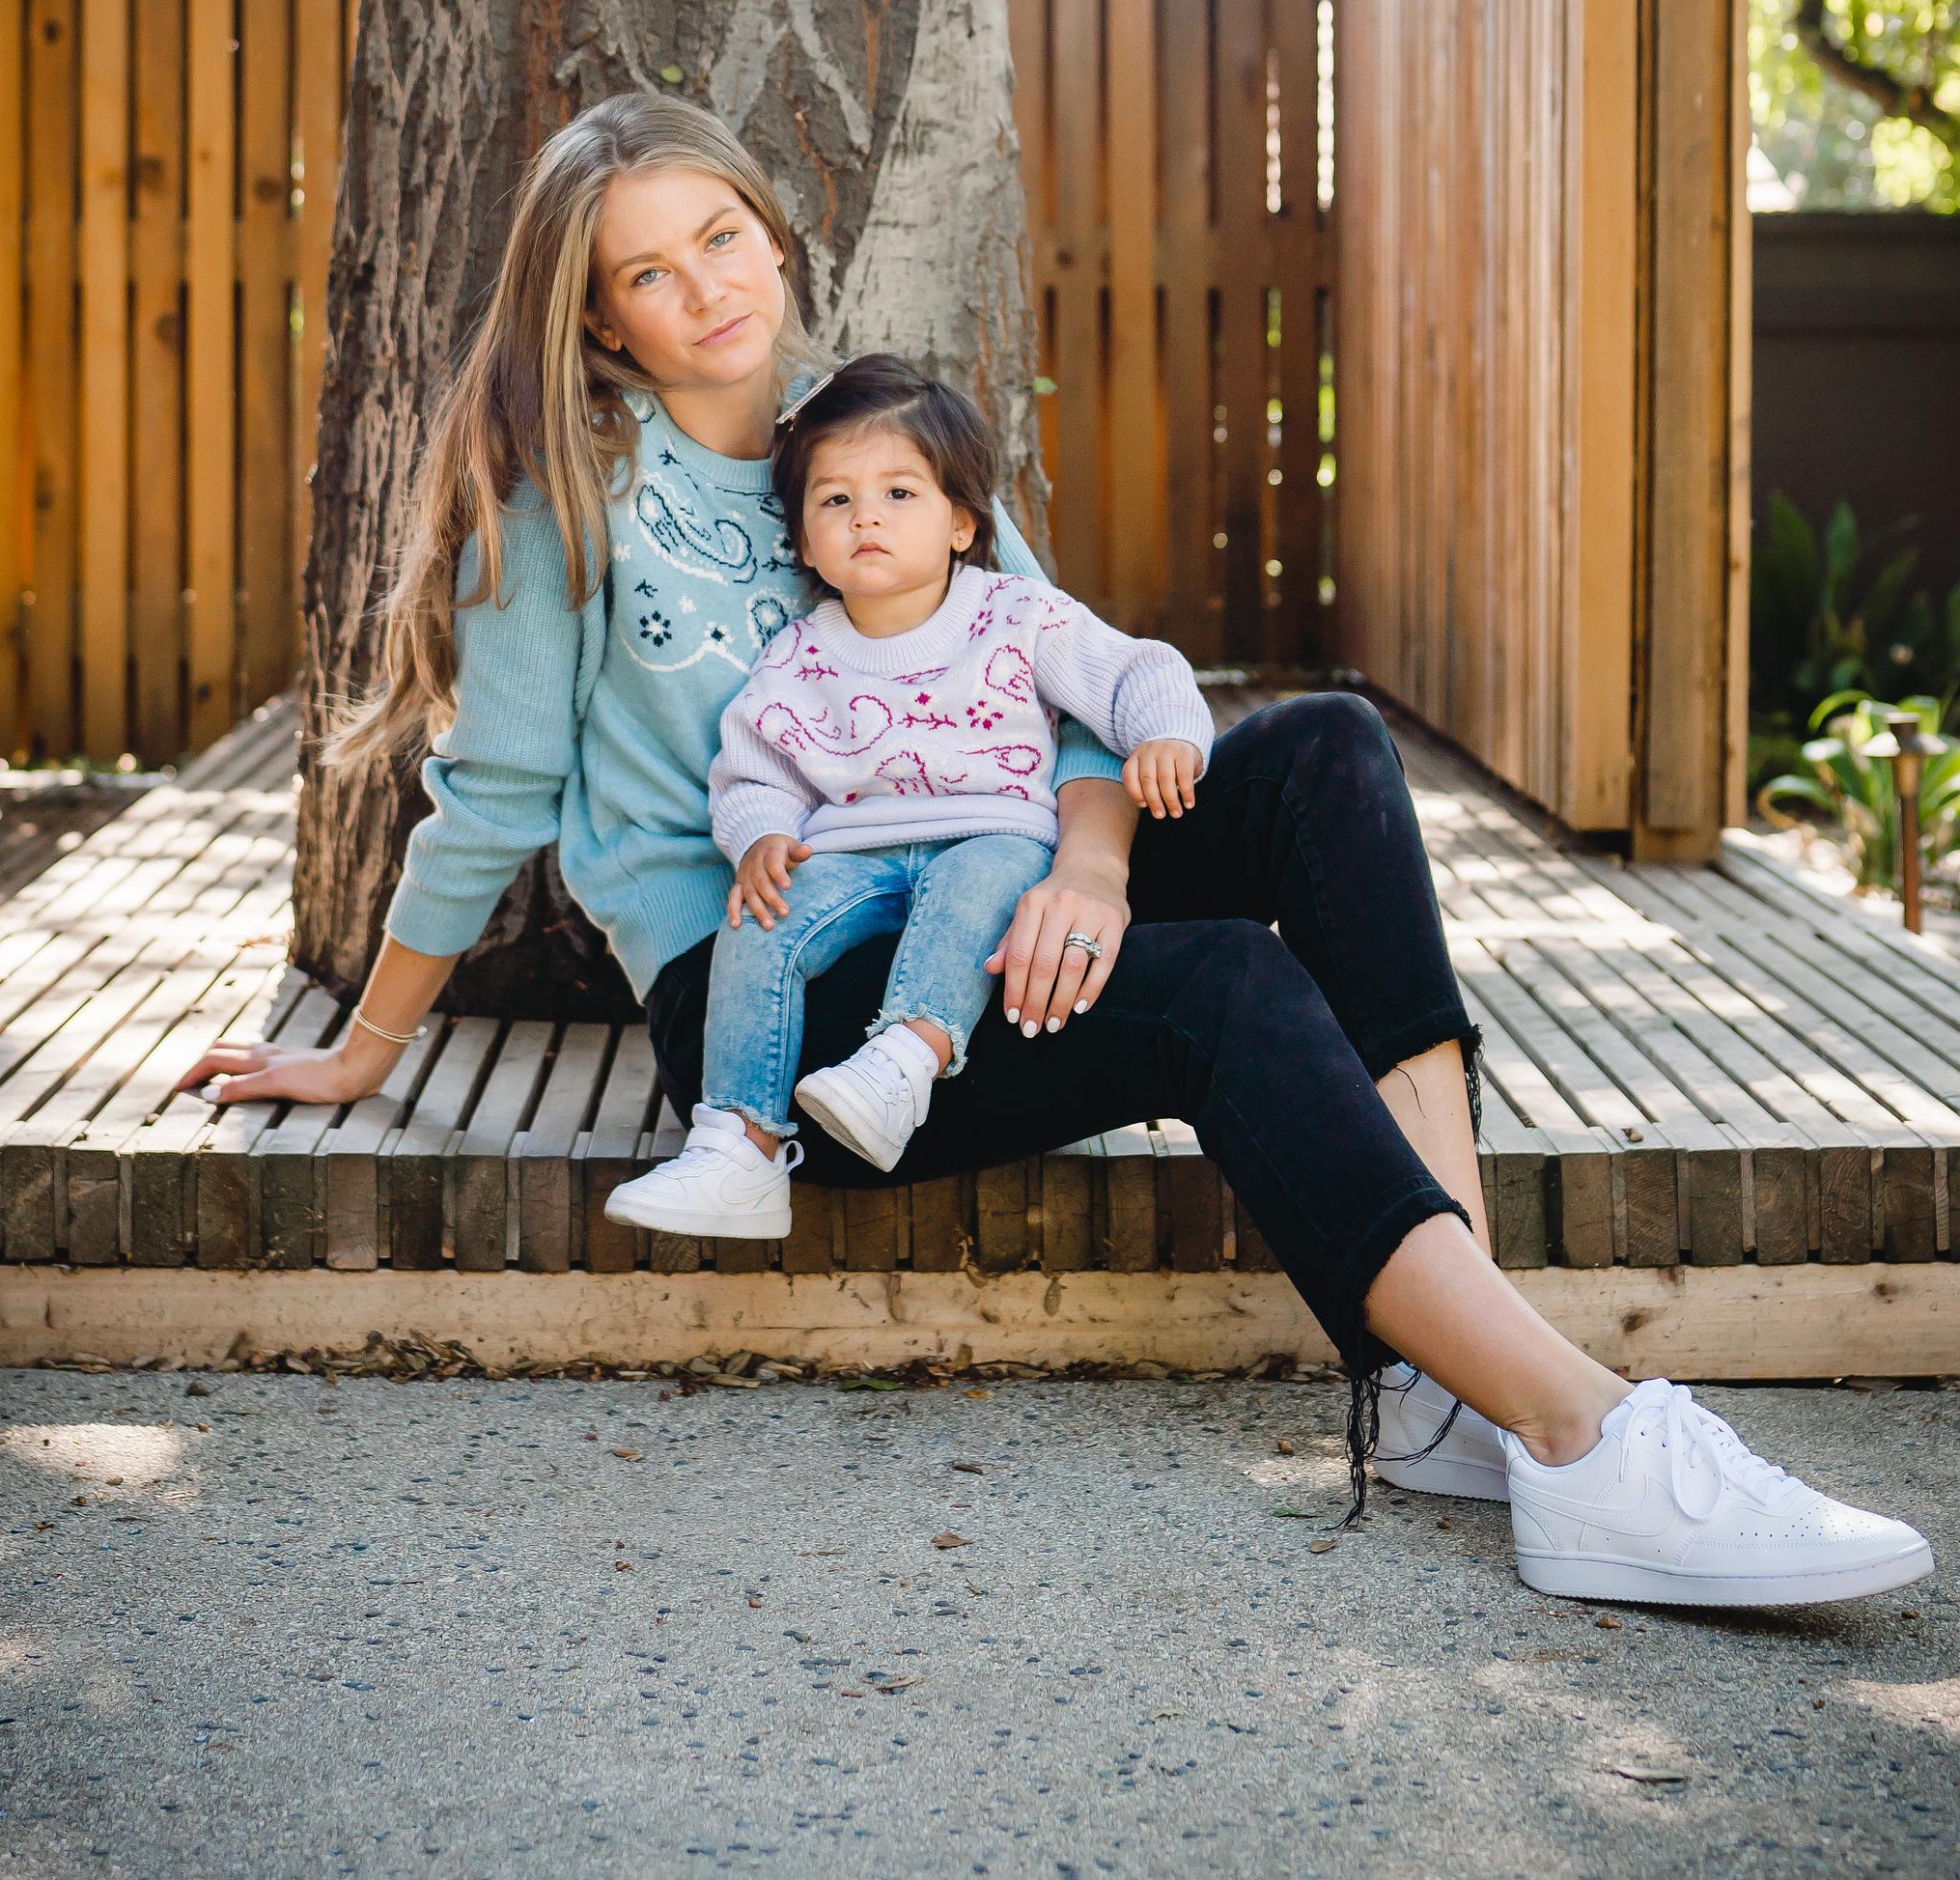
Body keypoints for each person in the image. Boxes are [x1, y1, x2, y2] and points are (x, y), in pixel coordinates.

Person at [176, 89, 1933, 1611]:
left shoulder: (873, 438)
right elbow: (488, 800)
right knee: (1224, 992)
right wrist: (364, 1049)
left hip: (1001, 880)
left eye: (721, 236)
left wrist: (1085, 870)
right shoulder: (562, 497)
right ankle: (1579, 1431)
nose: (704, 287)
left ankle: (1446, 1380)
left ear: (772, 236)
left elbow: (1063, 681)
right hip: (783, 995)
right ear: (602, 322)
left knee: (1321, 748)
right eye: (650, 270)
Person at [605, 353, 1214, 1237]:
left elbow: (1133, 671)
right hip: (852, 854)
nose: (866, 520)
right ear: (805, 542)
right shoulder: (799, 654)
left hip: (993, 834)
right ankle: (739, 1147)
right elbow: (753, 768)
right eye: (835, 501)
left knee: (973, 898)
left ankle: (900, 1067)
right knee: (758, 924)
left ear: (962, 523)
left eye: (899, 493)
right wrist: (761, 839)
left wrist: (1168, 733)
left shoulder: (1013, 615)